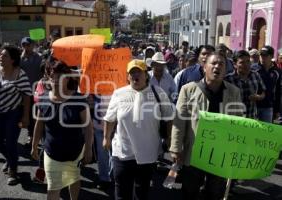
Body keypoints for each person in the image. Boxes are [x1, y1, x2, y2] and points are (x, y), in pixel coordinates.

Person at [170, 52, 244, 200]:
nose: (217, 67)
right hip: (194, 152)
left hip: (220, 154)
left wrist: (236, 151)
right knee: (190, 192)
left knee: (214, 193)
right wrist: (176, 148)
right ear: (204, 67)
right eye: (214, 63)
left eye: (221, 64)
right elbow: (179, 121)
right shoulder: (188, 89)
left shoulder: (234, 92)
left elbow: (238, 123)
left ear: (226, 70)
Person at [103, 59, 173, 200]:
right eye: (132, 73)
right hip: (122, 152)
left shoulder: (159, 94)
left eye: (139, 72)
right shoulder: (119, 94)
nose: (135, 76)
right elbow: (109, 118)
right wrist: (106, 138)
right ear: (128, 77)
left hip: (148, 154)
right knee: (122, 193)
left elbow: (169, 117)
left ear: (146, 75)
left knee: (142, 193)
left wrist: (170, 139)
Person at [31, 60, 93, 200]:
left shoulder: (79, 99)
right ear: (48, 77)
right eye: (53, 76)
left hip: (75, 152)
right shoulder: (43, 98)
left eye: (61, 76)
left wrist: (88, 148)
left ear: (68, 78)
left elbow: (88, 127)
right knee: (53, 188)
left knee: (74, 179)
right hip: (52, 152)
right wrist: (34, 146)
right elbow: (39, 124)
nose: (57, 80)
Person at [0, 45, 32, 185]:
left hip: (13, 113)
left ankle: (13, 171)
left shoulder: (20, 74)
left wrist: (26, 116)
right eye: (1, 55)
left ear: (13, 60)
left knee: (10, 143)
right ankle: (10, 160)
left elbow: (27, 95)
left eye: (5, 56)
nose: (1, 57)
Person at [226, 50, 266, 119]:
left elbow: (263, 91)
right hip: (233, 120)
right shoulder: (228, 79)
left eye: (248, 61)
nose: (246, 65)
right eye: (242, 62)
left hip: (251, 118)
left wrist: (259, 97)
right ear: (235, 64)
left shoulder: (255, 75)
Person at [20, 36, 42, 148]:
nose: (26, 47)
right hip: (24, 92)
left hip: (37, 92)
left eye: (28, 45)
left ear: (33, 45)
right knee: (27, 114)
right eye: (24, 45)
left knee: (36, 115)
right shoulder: (20, 59)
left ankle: (37, 137)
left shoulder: (39, 57)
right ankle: (31, 136)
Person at [256, 46, 282, 122]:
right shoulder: (254, 69)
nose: (262, 57)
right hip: (254, 106)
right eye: (261, 55)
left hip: (268, 107)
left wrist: (277, 110)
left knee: (265, 131)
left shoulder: (277, 72)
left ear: (271, 56)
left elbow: (278, 92)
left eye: (265, 55)